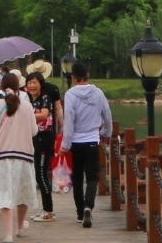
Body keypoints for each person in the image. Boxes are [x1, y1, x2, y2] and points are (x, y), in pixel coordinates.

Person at [0, 82, 40, 240]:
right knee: (22, 193)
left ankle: (8, 234)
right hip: (24, 156)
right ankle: (21, 227)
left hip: (2, 156)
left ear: (0, 86)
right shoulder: (27, 106)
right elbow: (34, 131)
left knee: (4, 194)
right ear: (18, 87)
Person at [60, 62, 112, 228]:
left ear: (73, 77)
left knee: (77, 178)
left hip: (75, 142)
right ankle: (89, 205)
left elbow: (69, 121)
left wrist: (65, 144)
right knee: (92, 177)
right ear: (87, 75)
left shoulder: (70, 95)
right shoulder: (98, 93)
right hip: (92, 140)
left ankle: (79, 212)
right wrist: (106, 134)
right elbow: (107, 116)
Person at [24, 66, 63, 222]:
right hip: (35, 139)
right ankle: (46, 208)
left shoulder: (45, 97)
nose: (32, 86)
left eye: (35, 82)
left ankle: (49, 211)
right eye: (29, 83)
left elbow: (45, 115)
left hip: (44, 138)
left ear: (41, 83)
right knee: (39, 175)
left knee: (41, 175)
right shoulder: (29, 100)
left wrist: (27, 116)